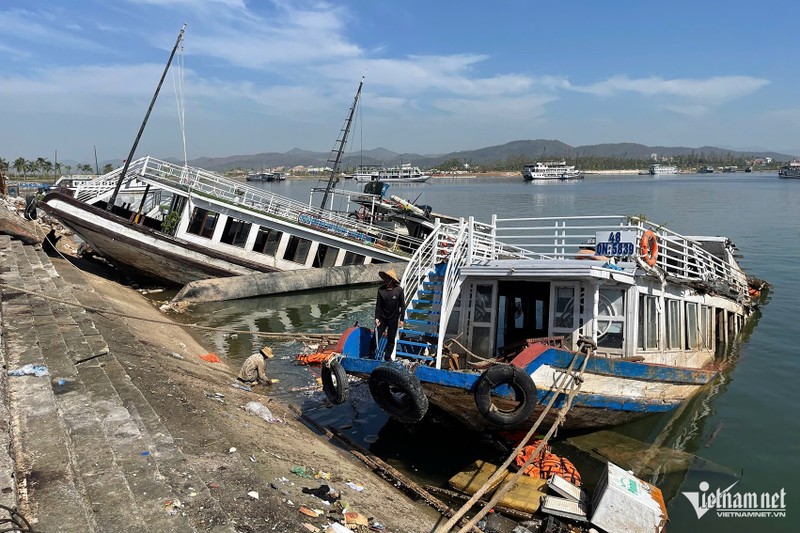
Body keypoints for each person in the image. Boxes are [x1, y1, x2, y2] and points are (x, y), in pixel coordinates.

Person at [374, 268, 405, 360]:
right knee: (377, 336)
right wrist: (377, 318)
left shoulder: (398, 290)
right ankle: (371, 352)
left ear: (391, 280)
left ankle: (388, 356)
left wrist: (402, 319)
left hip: (394, 318)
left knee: (391, 338)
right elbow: (378, 305)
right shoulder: (381, 290)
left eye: (387, 278)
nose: (385, 280)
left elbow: (402, 305)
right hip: (382, 317)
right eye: (385, 278)